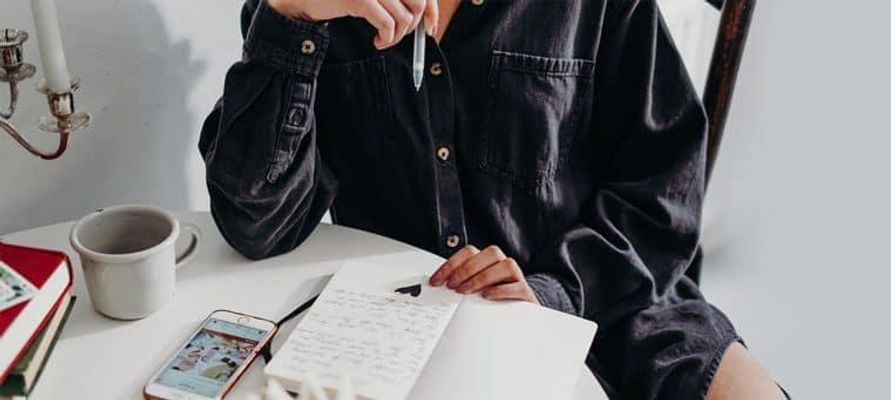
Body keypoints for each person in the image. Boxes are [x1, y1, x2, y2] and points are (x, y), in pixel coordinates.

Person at [199, 0, 785, 398]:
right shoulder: (312, 7)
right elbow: (259, 226)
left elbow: (662, 197)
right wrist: (293, 17)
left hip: (620, 298)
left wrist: (552, 292)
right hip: (407, 324)